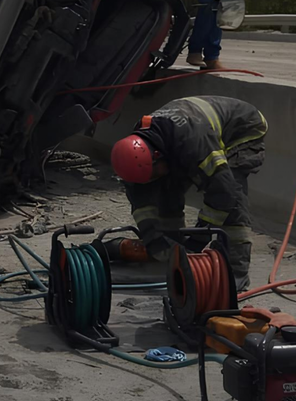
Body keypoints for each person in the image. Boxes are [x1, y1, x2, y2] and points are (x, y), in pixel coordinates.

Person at [109, 96, 268, 291]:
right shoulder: (137, 148)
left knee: (232, 193)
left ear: (157, 155)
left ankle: (236, 272)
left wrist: (198, 238)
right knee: (166, 186)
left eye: (153, 172)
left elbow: (223, 191)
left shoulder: (193, 143)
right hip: (187, 133)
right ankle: (173, 252)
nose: (152, 179)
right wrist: (154, 238)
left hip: (242, 129)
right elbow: (142, 202)